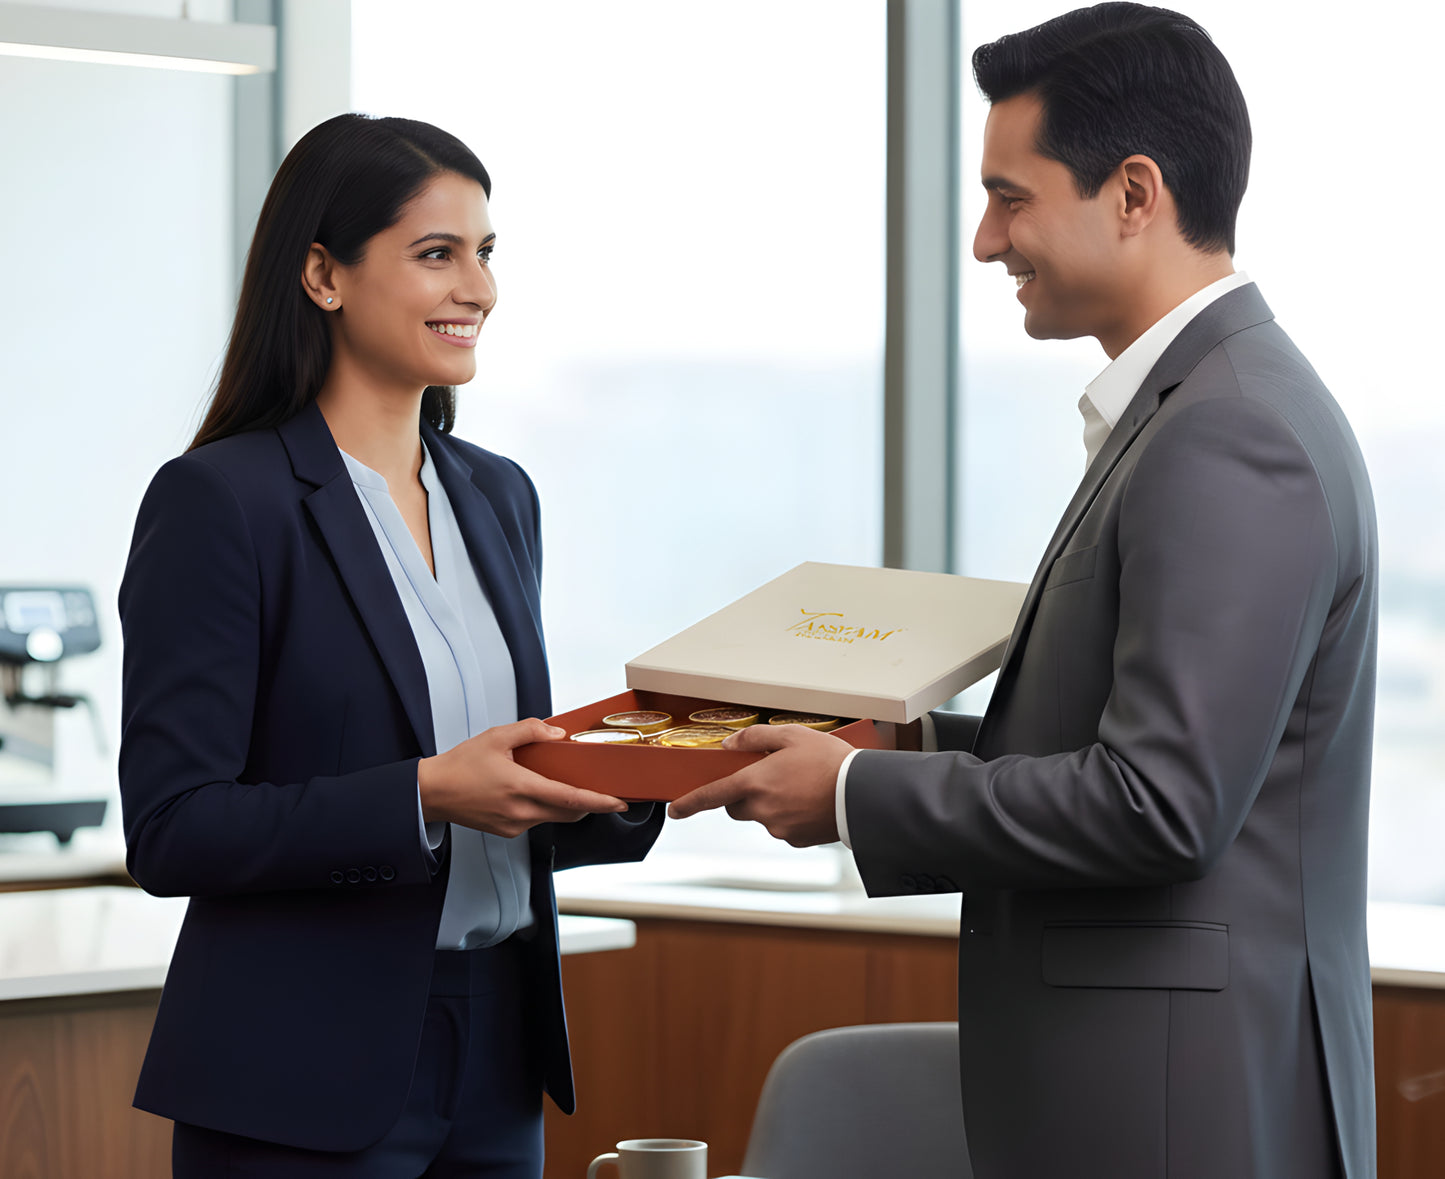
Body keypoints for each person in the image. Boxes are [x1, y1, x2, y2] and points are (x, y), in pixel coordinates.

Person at [669, 6, 1376, 1178]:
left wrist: (850, 794)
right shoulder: (1199, 409)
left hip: (1173, 1107)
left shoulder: (1227, 432)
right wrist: (880, 750)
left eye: (1010, 198)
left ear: (1133, 193)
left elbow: (1158, 804)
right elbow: (1118, 750)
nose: (985, 242)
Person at [118, 113, 662, 1177]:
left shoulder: (497, 495)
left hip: (498, 1051)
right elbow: (174, 828)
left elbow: (501, 796)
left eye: (486, 253)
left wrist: (631, 778)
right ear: (323, 275)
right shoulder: (221, 501)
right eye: (436, 254)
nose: (479, 289)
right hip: (301, 1068)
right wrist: (425, 794)